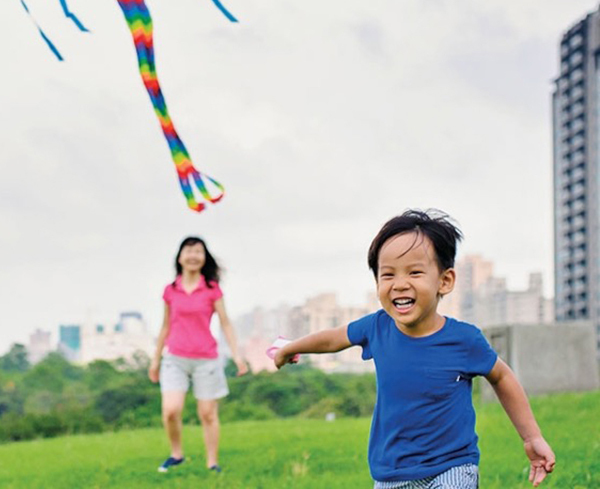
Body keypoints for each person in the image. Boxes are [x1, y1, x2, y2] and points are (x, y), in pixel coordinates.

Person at [273, 209, 556, 488]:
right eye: (388, 275)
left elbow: (502, 376)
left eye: (415, 272)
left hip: (453, 466)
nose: (400, 284)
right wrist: (290, 348)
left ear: (444, 281)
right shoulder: (377, 327)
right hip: (391, 473)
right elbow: (333, 339)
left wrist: (532, 438)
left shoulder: (465, 340)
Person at [148, 236, 249, 473]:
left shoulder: (212, 289)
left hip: (206, 358)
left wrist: (237, 355)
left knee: (207, 414)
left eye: (198, 252)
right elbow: (165, 326)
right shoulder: (170, 290)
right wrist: (155, 359)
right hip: (175, 358)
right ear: (180, 257)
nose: (193, 256)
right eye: (189, 251)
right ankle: (176, 455)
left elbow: (225, 323)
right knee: (171, 410)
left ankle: (212, 462)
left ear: (204, 258)